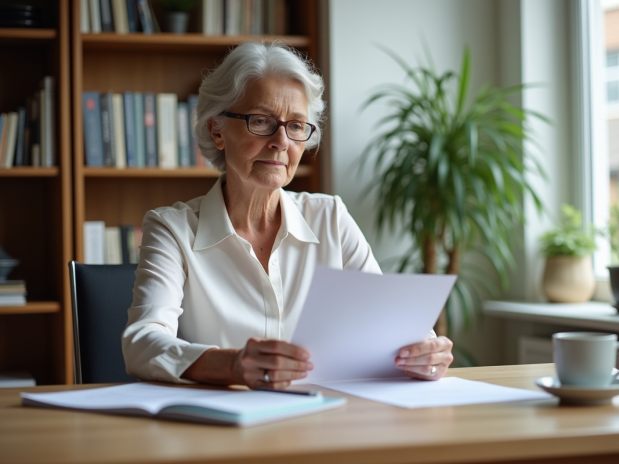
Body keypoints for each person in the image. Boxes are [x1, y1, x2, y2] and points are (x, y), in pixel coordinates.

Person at [122, 42, 454, 390]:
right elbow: (142, 344)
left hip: (324, 425)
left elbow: (394, 328)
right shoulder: (171, 229)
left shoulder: (331, 218)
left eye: (296, 126)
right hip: (222, 432)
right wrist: (232, 365)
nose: (281, 141)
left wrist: (425, 354)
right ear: (216, 131)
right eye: (261, 121)